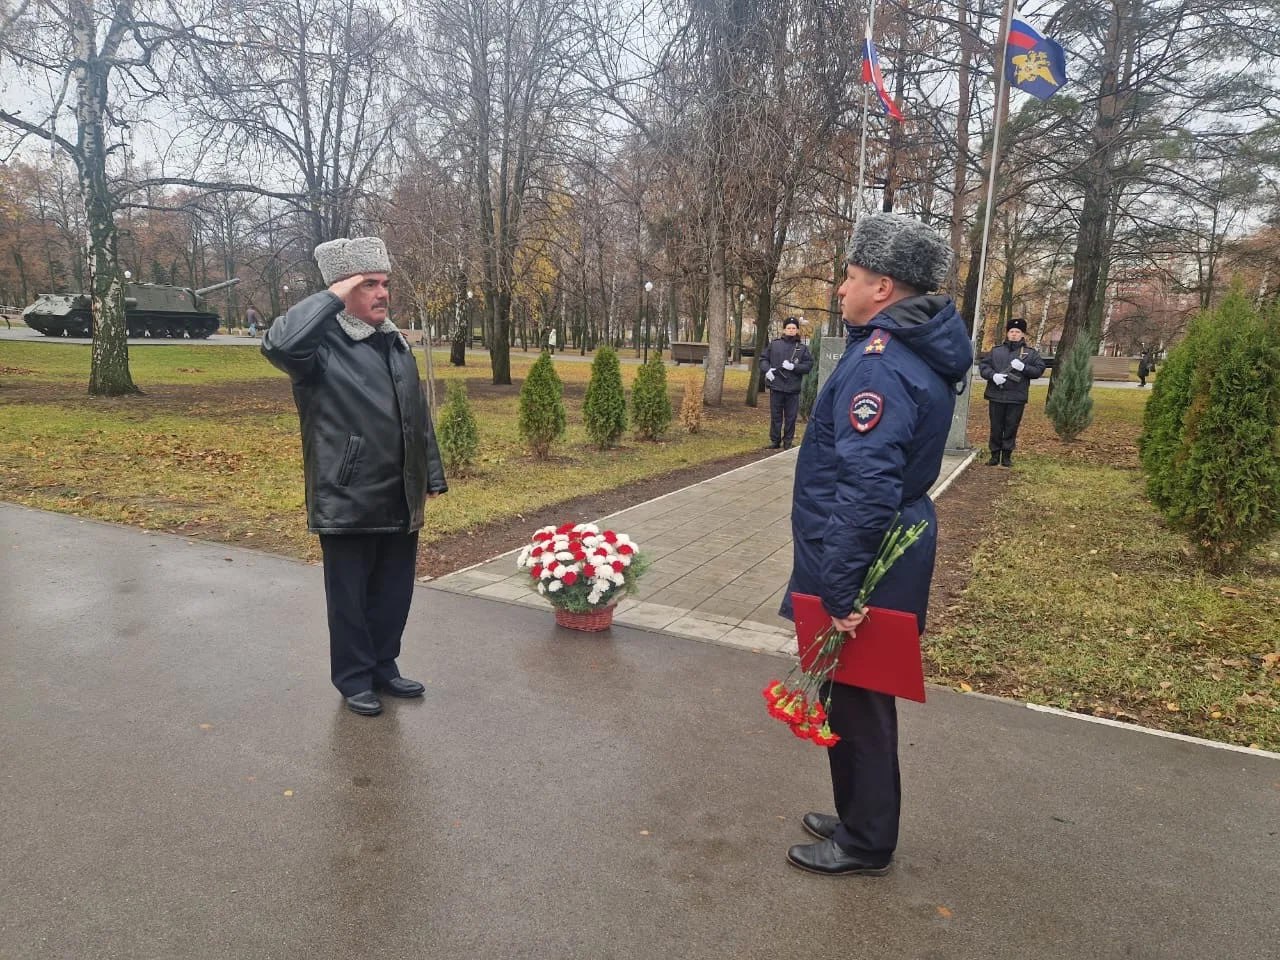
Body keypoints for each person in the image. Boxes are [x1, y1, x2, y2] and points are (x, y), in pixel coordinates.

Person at [780, 213, 972, 877]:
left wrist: (838, 589)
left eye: (852, 276)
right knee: (851, 693)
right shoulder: (899, 350)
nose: (841, 288)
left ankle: (867, 841)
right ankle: (858, 813)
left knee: (859, 699)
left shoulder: (880, 365)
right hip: (875, 545)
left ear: (883, 287)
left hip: (868, 555)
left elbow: (865, 486)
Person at [261, 237, 448, 717]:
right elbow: (277, 343)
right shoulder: (318, 349)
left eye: (384, 283)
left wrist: (430, 472)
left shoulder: (394, 341)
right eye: (369, 284)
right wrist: (331, 296)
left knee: (393, 593)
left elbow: (416, 417)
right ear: (343, 289)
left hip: (399, 495)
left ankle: (384, 666)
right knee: (349, 598)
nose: (382, 293)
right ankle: (353, 678)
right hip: (347, 494)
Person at [978, 317, 1047, 467]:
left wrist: (1024, 368)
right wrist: (993, 376)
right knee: (996, 427)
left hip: (1016, 397)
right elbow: (984, 367)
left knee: (1011, 427)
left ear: (1022, 334)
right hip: (996, 395)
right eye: (1011, 331)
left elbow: (1039, 370)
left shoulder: (1030, 353)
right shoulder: (996, 351)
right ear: (1007, 334)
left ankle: (1007, 456)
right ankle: (994, 455)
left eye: (1017, 331)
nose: (1014, 334)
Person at [759, 317, 814, 449]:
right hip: (776, 385)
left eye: (793, 328)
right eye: (788, 328)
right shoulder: (775, 344)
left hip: (792, 388)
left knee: (791, 417)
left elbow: (808, 365)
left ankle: (788, 442)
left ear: (797, 330)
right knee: (776, 415)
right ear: (784, 329)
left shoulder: (801, 348)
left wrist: (794, 367)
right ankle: (775, 440)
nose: (791, 330)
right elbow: (763, 359)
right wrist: (767, 371)